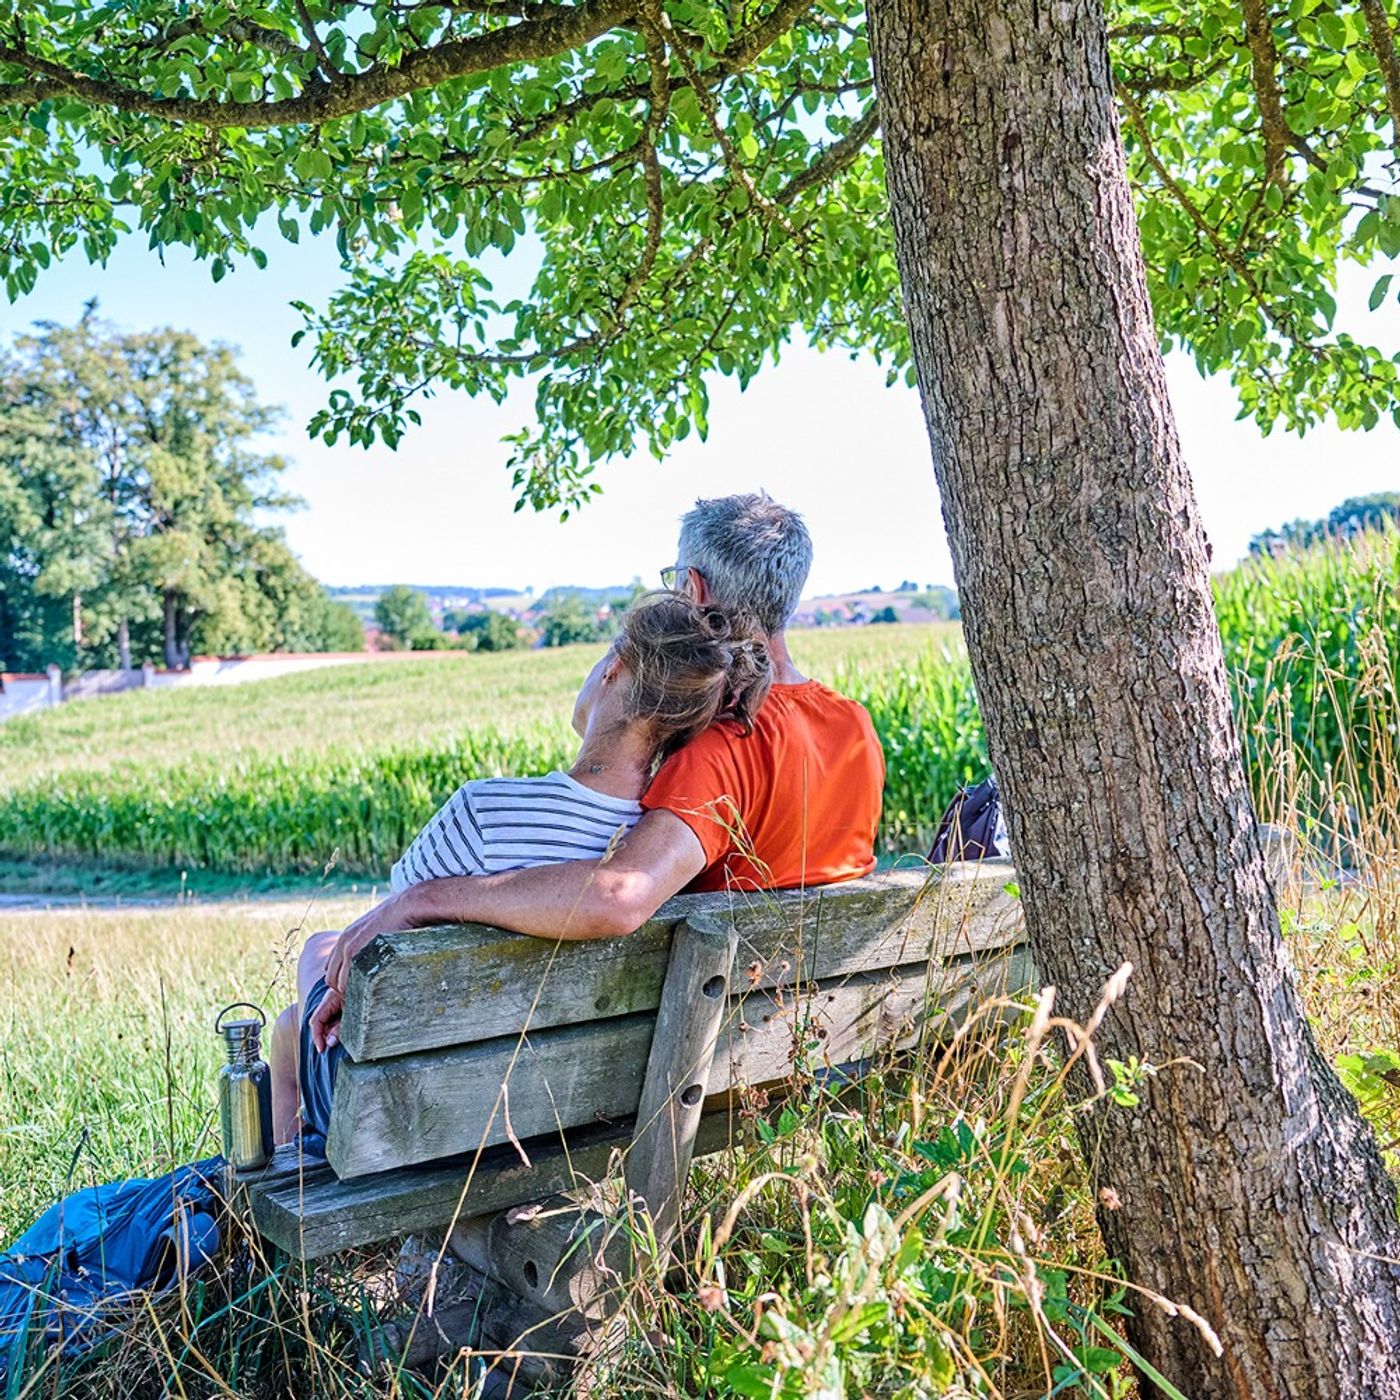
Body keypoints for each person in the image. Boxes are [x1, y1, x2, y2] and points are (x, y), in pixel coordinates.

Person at [304, 493, 886, 1065]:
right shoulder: (853, 726)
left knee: (313, 968)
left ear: (694, 589)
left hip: (711, 1054)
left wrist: (426, 899)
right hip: (811, 1040)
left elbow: (621, 896)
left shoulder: (718, 745)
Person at [271, 589, 772, 1142]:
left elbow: (375, 954)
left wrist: (338, 985)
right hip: (568, 1112)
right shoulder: (667, 851)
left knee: (308, 983)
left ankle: (277, 1197)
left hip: (422, 1115)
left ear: (615, 669)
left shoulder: (483, 812)